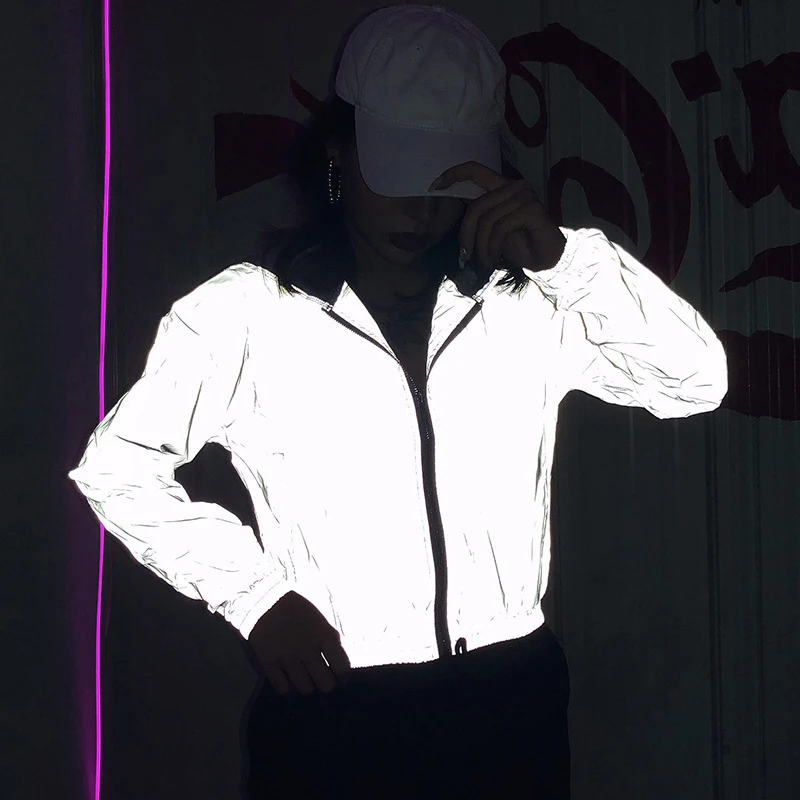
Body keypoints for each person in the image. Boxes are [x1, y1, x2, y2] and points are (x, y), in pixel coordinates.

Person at [67, 4, 728, 799]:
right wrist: (254, 597)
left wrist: (565, 261)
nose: (423, 207)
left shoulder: (530, 307)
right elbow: (117, 470)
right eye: (400, 172)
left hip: (510, 699)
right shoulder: (246, 315)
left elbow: (696, 380)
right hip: (334, 709)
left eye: (449, 179)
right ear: (339, 157)